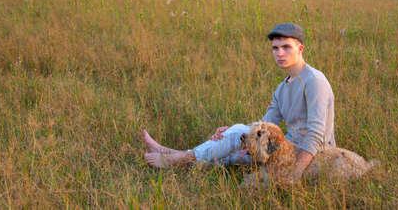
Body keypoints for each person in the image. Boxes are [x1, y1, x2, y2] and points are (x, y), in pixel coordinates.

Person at [143, 23, 335, 180]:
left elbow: (316, 134)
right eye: (275, 48)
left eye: (286, 47)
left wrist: (296, 172)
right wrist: (231, 132)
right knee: (231, 150)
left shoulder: (314, 80)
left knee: (237, 134)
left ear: (300, 49)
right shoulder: (283, 87)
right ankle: (174, 155)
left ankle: (176, 158)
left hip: (312, 155)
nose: (280, 53)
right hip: (286, 149)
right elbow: (265, 125)